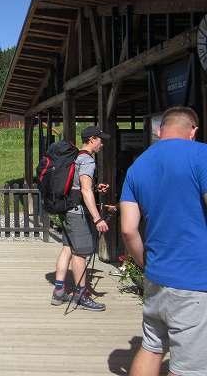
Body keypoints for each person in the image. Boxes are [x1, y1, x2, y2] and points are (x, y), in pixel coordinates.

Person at [120, 106, 207, 376]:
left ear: (159, 130)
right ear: (193, 131)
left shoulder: (138, 166)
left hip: (156, 276)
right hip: (195, 279)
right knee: (189, 369)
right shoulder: (202, 155)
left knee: (152, 346)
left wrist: (145, 264)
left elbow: (128, 230)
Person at [51, 126, 110, 311]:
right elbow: (84, 190)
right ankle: (81, 296)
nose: (102, 144)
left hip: (66, 209)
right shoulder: (87, 160)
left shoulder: (75, 157)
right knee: (80, 254)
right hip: (77, 213)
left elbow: (77, 185)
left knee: (67, 248)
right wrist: (97, 218)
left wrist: (95, 187)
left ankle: (59, 292)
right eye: (100, 140)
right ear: (92, 139)